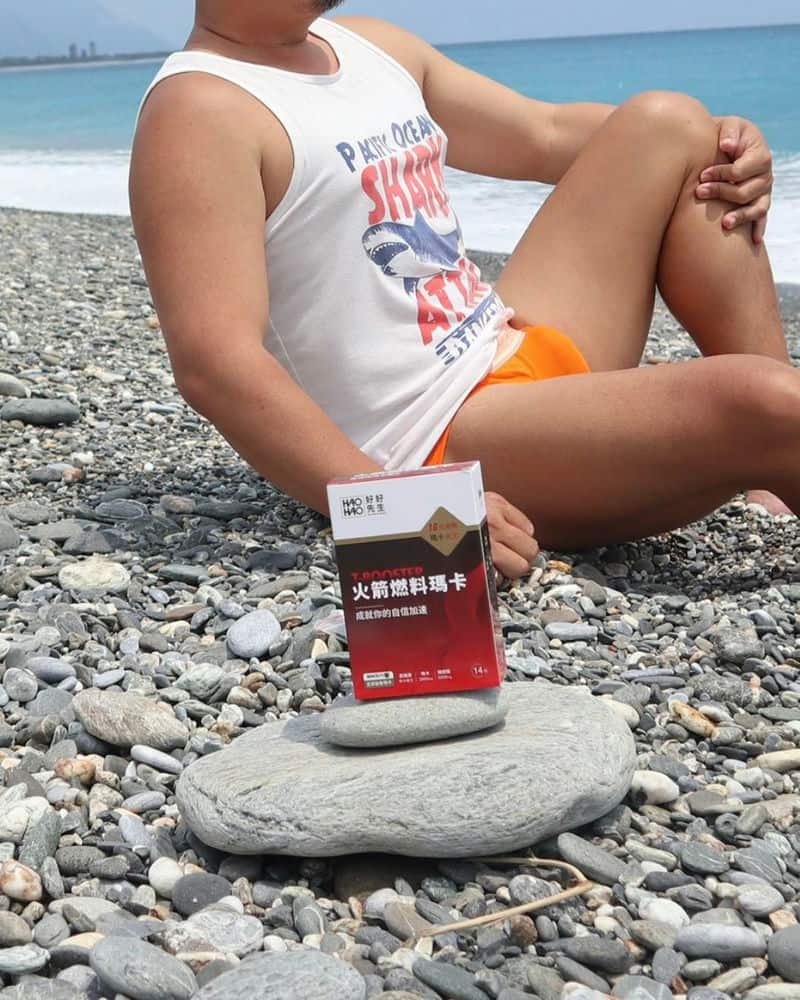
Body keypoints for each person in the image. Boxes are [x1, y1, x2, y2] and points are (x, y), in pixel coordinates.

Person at [130, 0, 795, 583]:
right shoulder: (199, 111)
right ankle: (775, 445)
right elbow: (217, 362)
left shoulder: (371, 47)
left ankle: (773, 486)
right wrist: (400, 506)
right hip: (441, 441)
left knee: (678, 126)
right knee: (764, 401)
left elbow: (543, 134)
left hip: (509, 346)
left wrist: (734, 146)